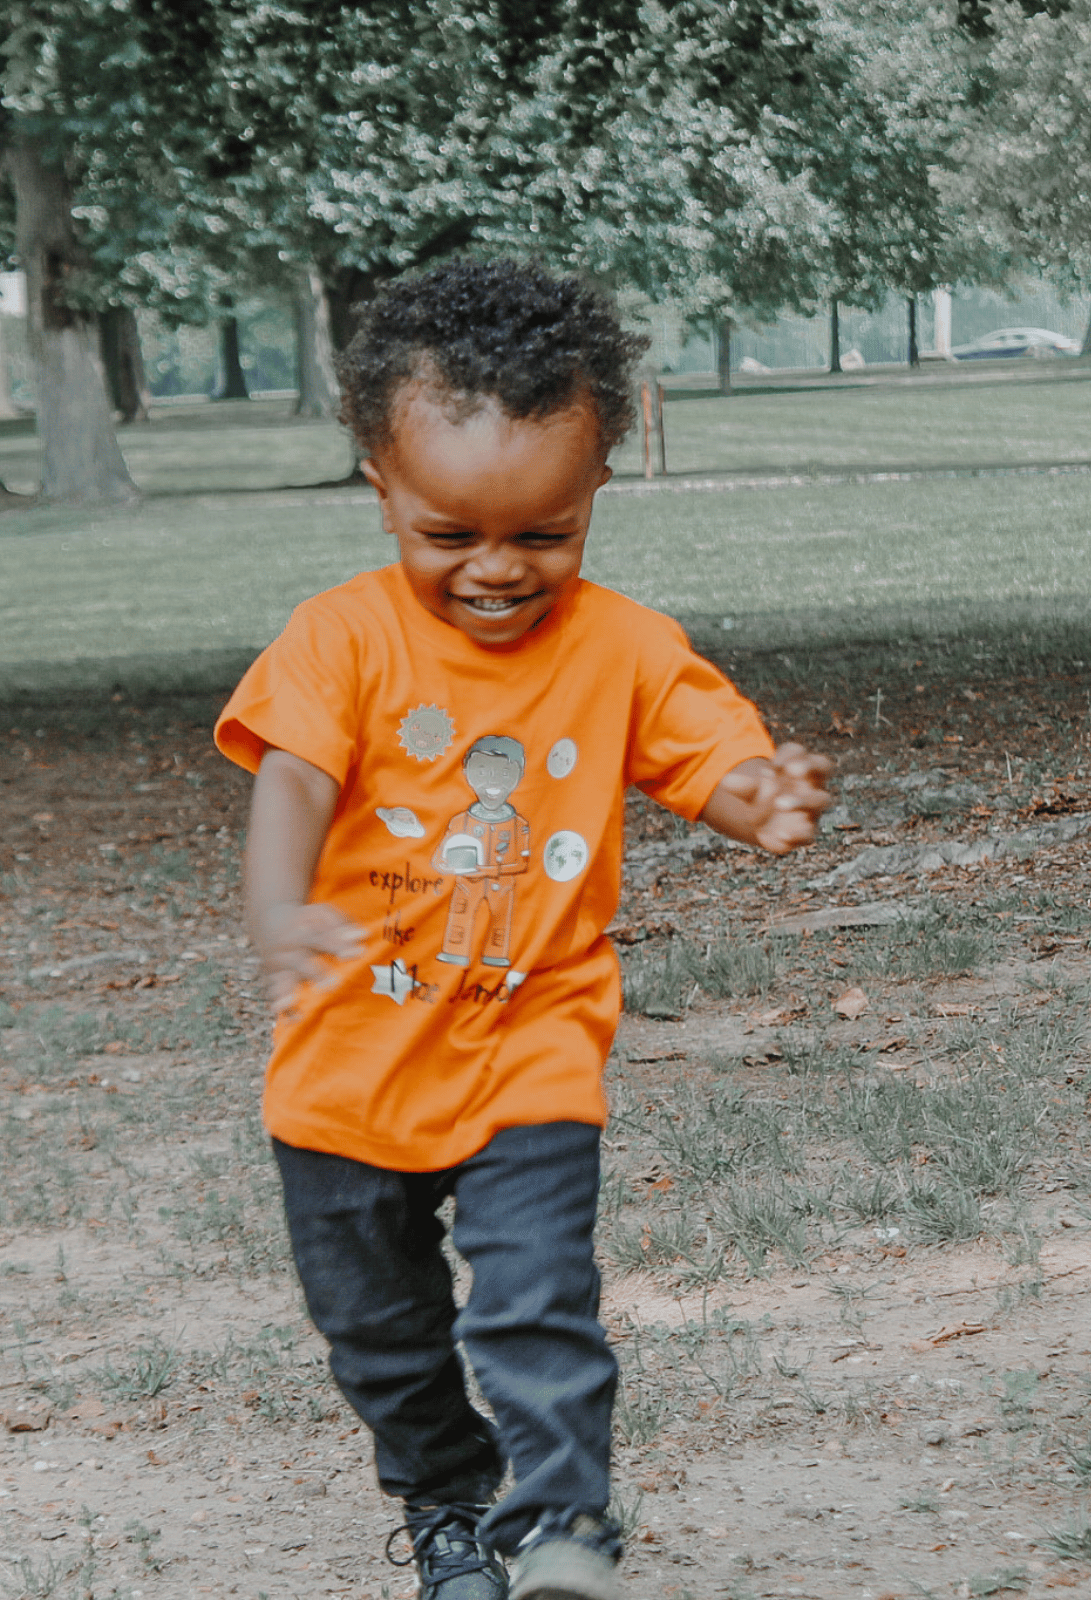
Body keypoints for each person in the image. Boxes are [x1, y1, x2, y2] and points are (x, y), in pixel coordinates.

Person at [214, 258, 832, 1600]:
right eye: (450, 535)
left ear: (596, 485)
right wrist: (277, 904)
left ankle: (560, 1531)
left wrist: (758, 803)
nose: (497, 570)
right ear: (381, 488)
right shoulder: (340, 641)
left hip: (528, 1046)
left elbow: (705, 754)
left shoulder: (622, 647)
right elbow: (298, 778)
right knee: (378, 1333)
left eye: (543, 535)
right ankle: (448, 1501)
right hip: (344, 1063)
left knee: (535, 1299)